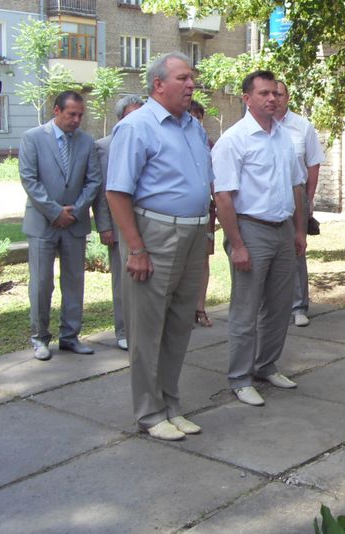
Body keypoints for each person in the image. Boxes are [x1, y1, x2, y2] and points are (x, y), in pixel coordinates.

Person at [106, 52, 212, 441]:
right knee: (148, 329)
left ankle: (170, 404)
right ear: (158, 84)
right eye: (183, 78)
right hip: (155, 235)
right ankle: (149, 414)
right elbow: (117, 192)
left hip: (193, 233)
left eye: (192, 78)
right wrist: (136, 248)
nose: (191, 85)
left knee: (179, 325)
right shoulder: (136, 127)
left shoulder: (192, 127)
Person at [212, 70, 306, 407]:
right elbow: (223, 197)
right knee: (246, 309)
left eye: (275, 94)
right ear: (246, 98)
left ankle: (266, 365)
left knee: (280, 307)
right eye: (263, 93)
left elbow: (296, 186)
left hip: (282, 230)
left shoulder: (285, 137)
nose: (271, 99)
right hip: (250, 230)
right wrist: (237, 244)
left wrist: (298, 229)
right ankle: (240, 378)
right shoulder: (234, 140)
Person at [19, 90, 102, 361]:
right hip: (43, 223)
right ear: (56, 111)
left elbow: (93, 181)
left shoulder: (87, 142)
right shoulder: (33, 138)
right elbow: (29, 179)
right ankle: (39, 338)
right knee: (41, 284)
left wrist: (75, 211)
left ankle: (70, 336)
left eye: (80, 115)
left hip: (74, 224)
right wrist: (55, 212)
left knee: (74, 283)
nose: (77, 120)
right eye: (71, 114)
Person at [93, 95, 144, 351]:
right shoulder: (104, 146)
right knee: (121, 279)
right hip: (117, 223)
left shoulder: (147, 138)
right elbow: (104, 190)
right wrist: (105, 226)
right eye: (131, 115)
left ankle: (142, 329)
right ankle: (123, 330)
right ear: (120, 118)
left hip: (146, 222)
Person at [274, 80, 325, 327]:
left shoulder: (301, 127)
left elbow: (313, 163)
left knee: (296, 249)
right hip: (268, 197)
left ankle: (298, 307)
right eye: (270, 94)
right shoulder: (257, 128)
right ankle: (272, 308)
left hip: (297, 195)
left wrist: (309, 198)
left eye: (279, 94)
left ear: (288, 97)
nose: (275, 99)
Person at [188, 99, 216, 328]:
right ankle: (183, 310)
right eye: (191, 115)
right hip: (182, 215)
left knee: (203, 260)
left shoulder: (209, 144)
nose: (195, 120)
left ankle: (200, 307)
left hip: (206, 212)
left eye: (198, 116)